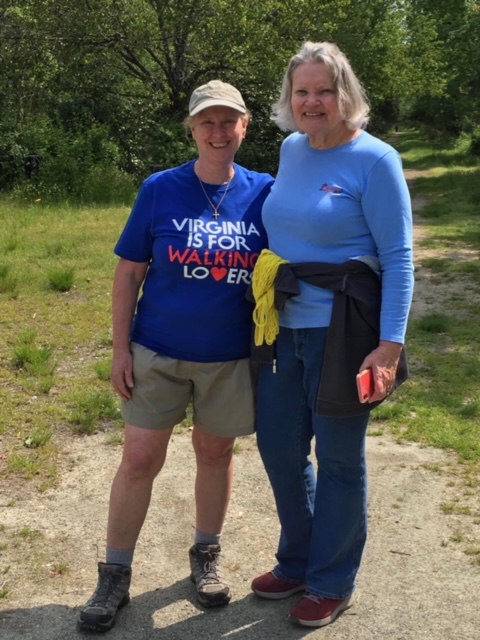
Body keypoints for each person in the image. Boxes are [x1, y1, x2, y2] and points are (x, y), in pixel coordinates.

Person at [78, 80, 274, 633]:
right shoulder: (161, 188)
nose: (218, 131)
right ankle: (115, 574)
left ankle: (205, 556)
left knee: (215, 454)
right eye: (206, 121)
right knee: (140, 459)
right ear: (191, 129)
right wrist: (120, 349)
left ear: (245, 127)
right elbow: (129, 273)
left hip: (229, 357)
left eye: (228, 121)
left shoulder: (266, 192)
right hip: (157, 351)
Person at [250, 42, 414, 628]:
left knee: (340, 459)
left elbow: (399, 259)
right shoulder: (291, 149)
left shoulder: (376, 160)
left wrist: (389, 347)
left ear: (346, 94)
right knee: (280, 448)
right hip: (280, 326)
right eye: (303, 91)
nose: (313, 101)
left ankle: (331, 581)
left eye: (325, 90)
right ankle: (298, 561)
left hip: (344, 332)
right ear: (289, 98)